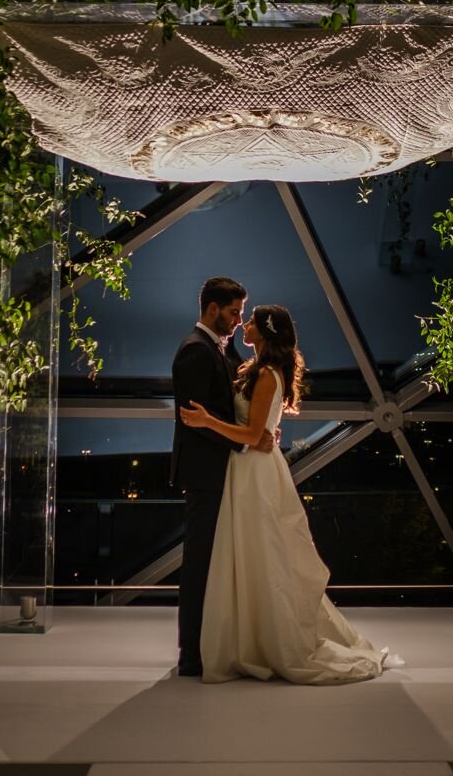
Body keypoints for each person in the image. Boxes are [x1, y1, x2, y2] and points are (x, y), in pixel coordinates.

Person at [180, 303, 389, 684]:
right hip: (247, 469)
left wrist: (207, 421)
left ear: (263, 332)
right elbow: (257, 430)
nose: (244, 324)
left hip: (254, 473)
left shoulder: (266, 376)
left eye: (251, 320)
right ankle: (254, 637)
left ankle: (263, 639)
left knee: (262, 552)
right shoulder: (256, 369)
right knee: (255, 553)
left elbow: (249, 433)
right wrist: (263, 432)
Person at [171, 277, 276, 678]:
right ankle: (191, 655)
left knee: (215, 561)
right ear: (212, 309)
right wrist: (248, 440)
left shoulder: (219, 349)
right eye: (234, 313)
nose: (239, 320)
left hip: (223, 472)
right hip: (205, 475)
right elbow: (196, 422)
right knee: (199, 562)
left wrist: (258, 429)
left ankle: (214, 644)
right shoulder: (194, 352)